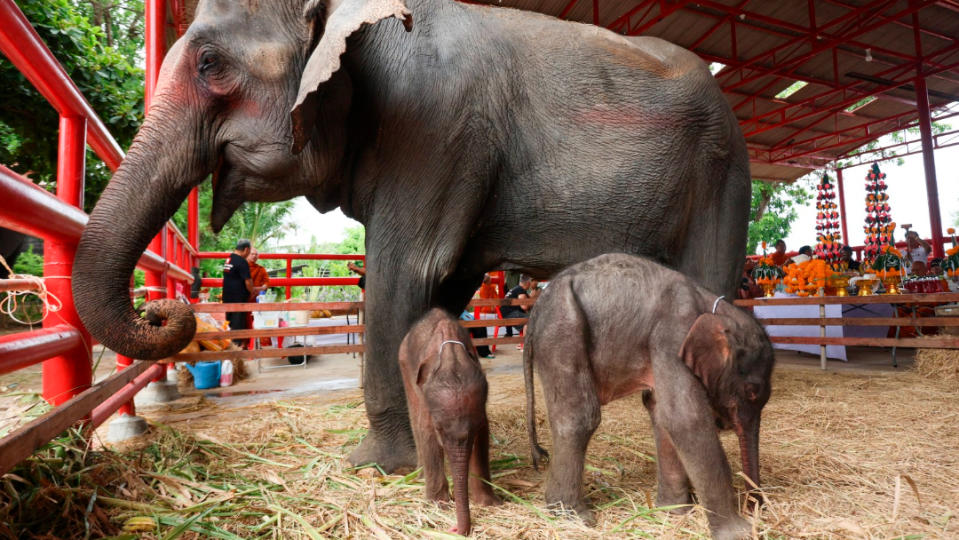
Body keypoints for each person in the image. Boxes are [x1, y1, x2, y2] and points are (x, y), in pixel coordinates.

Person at [222, 239, 254, 346]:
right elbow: (248, 282)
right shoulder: (241, 261)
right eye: (249, 252)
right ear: (246, 249)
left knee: (230, 323)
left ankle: (231, 346)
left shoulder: (229, 259)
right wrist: (252, 291)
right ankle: (235, 351)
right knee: (238, 325)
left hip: (227, 297)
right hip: (238, 299)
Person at [502, 274, 534, 341]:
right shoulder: (521, 291)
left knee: (530, 319)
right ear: (528, 283)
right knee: (530, 321)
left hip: (505, 313)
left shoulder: (516, 288)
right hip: (510, 314)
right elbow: (524, 307)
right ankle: (525, 343)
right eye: (531, 282)